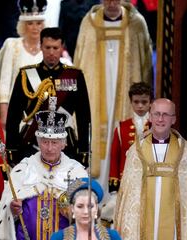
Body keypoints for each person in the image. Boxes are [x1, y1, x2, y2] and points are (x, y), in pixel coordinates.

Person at [73, 0, 153, 187]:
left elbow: (146, 65)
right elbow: (79, 61)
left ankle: (121, 193)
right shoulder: (89, 23)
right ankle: (93, 194)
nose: (111, 3)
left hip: (125, 93)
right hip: (96, 96)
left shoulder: (136, 24)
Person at [114, 98, 187, 239]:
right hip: (143, 224)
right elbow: (129, 195)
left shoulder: (186, 152)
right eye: (157, 114)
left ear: (174, 119)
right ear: (150, 116)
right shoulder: (136, 151)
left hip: (174, 227)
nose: (160, 119)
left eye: (166, 114)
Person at [0, 108, 88, 239]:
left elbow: (88, 216)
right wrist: (13, 210)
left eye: (54, 142)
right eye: (44, 142)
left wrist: (73, 213)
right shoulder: (23, 169)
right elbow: (6, 214)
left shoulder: (77, 172)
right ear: (38, 142)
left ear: (63, 144)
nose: (49, 148)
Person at [5, 27, 91, 167]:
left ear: (62, 47)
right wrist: (11, 147)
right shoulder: (26, 74)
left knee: (71, 184)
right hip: (30, 141)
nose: (51, 52)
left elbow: (83, 116)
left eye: (55, 48)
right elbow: (13, 115)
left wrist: (84, 149)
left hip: (65, 141)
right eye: (48, 47)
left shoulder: (75, 76)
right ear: (41, 47)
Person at [101, 82, 152, 226]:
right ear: (131, 102)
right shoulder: (121, 127)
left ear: (150, 102)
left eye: (144, 102)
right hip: (126, 182)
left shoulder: (156, 127)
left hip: (149, 180)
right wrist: (114, 189)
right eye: (136, 102)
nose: (140, 106)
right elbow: (114, 158)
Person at [0, 0, 46, 130]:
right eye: (30, 23)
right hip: (16, 112)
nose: (35, 27)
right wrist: (4, 114)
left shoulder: (49, 49)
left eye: (39, 23)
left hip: (43, 114)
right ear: (23, 25)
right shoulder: (12, 46)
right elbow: (4, 83)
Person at [51, 177, 121, 240]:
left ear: (96, 208)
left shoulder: (112, 237)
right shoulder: (58, 237)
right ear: (72, 208)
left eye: (90, 206)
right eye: (80, 206)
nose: (85, 211)